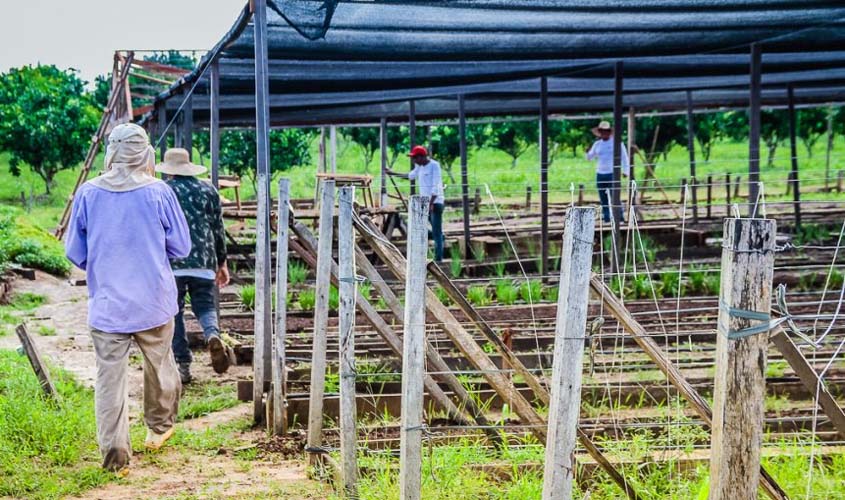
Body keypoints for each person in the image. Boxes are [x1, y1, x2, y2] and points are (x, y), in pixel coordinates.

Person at [65, 123, 191, 474]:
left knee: (109, 379)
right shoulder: (160, 192)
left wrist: (105, 264)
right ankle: (159, 427)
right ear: (144, 153)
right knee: (160, 364)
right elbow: (181, 246)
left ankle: (116, 452)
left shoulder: (88, 193)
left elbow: (76, 252)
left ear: (112, 151)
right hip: (154, 302)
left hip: (108, 306)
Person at [156, 148, 231, 383]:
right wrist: (222, 262)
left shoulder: (163, 191)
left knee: (174, 312)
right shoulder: (208, 190)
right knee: (205, 304)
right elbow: (218, 228)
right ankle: (212, 334)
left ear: (168, 170)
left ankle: (184, 365)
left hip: (172, 262)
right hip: (204, 260)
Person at [386, 145, 445, 261]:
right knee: (426, 228)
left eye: (415, 158)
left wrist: (431, 203)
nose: (414, 160)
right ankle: (441, 239)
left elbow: (436, 186)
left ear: (422, 157)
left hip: (435, 202)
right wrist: (392, 173)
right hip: (425, 203)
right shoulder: (420, 167)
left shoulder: (434, 166)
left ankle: (439, 259)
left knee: (436, 231)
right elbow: (410, 176)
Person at [586, 120, 630, 223]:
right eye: (602, 131)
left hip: (612, 173)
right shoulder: (597, 144)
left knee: (615, 196)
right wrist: (587, 151)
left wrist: (625, 171)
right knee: (603, 197)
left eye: (606, 131)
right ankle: (607, 218)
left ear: (609, 132)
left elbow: (624, 157)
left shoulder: (617, 143)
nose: (604, 133)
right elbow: (590, 157)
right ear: (600, 132)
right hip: (600, 174)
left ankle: (619, 218)